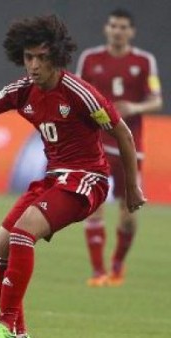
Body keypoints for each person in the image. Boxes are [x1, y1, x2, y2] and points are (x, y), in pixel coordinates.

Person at [0, 15, 145, 338]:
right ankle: (19, 333)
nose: (34, 65)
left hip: (87, 179)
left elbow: (121, 132)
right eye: (28, 58)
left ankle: (5, 325)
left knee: (24, 232)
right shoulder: (22, 91)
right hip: (53, 179)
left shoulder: (80, 93)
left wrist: (132, 186)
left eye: (41, 57)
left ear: (56, 57)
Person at [76, 8, 163, 287]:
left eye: (123, 27)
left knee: (128, 213)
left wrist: (135, 106)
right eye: (113, 26)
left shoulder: (143, 61)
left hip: (129, 148)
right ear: (107, 28)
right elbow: (78, 93)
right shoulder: (90, 58)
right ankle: (98, 271)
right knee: (94, 206)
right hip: (96, 145)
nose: (118, 31)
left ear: (131, 32)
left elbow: (156, 100)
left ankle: (117, 264)